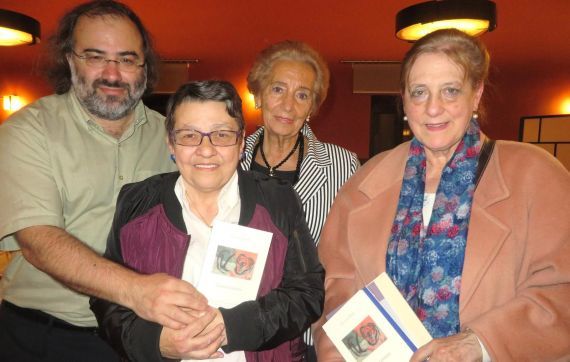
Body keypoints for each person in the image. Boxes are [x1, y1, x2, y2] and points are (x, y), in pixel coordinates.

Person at [314, 29, 570, 361]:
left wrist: (480, 343)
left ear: (476, 95)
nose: (433, 108)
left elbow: (561, 290)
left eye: (450, 91)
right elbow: (337, 290)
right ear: (404, 99)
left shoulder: (535, 175)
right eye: (419, 92)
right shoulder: (365, 183)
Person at [0, 1, 208, 360]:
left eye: (127, 60)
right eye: (95, 57)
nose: (112, 74)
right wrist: (137, 291)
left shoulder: (173, 138)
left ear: (144, 67)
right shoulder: (27, 131)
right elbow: (38, 242)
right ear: (70, 59)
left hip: (141, 335)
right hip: (45, 337)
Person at [90, 80, 325, 361]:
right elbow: (107, 298)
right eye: (189, 135)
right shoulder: (136, 202)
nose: (206, 149)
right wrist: (155, 341)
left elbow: (307, 294)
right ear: (171, 143)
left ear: (241, 143)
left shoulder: (279, 202)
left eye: (222, 135)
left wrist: (232, 327)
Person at [241, 40, 359, 246]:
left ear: (311, 108)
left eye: (302, 95)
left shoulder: (342, 166)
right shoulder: (230, 159)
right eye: (278, 89)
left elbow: (355, 245)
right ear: (259, 96)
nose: (288, 105)